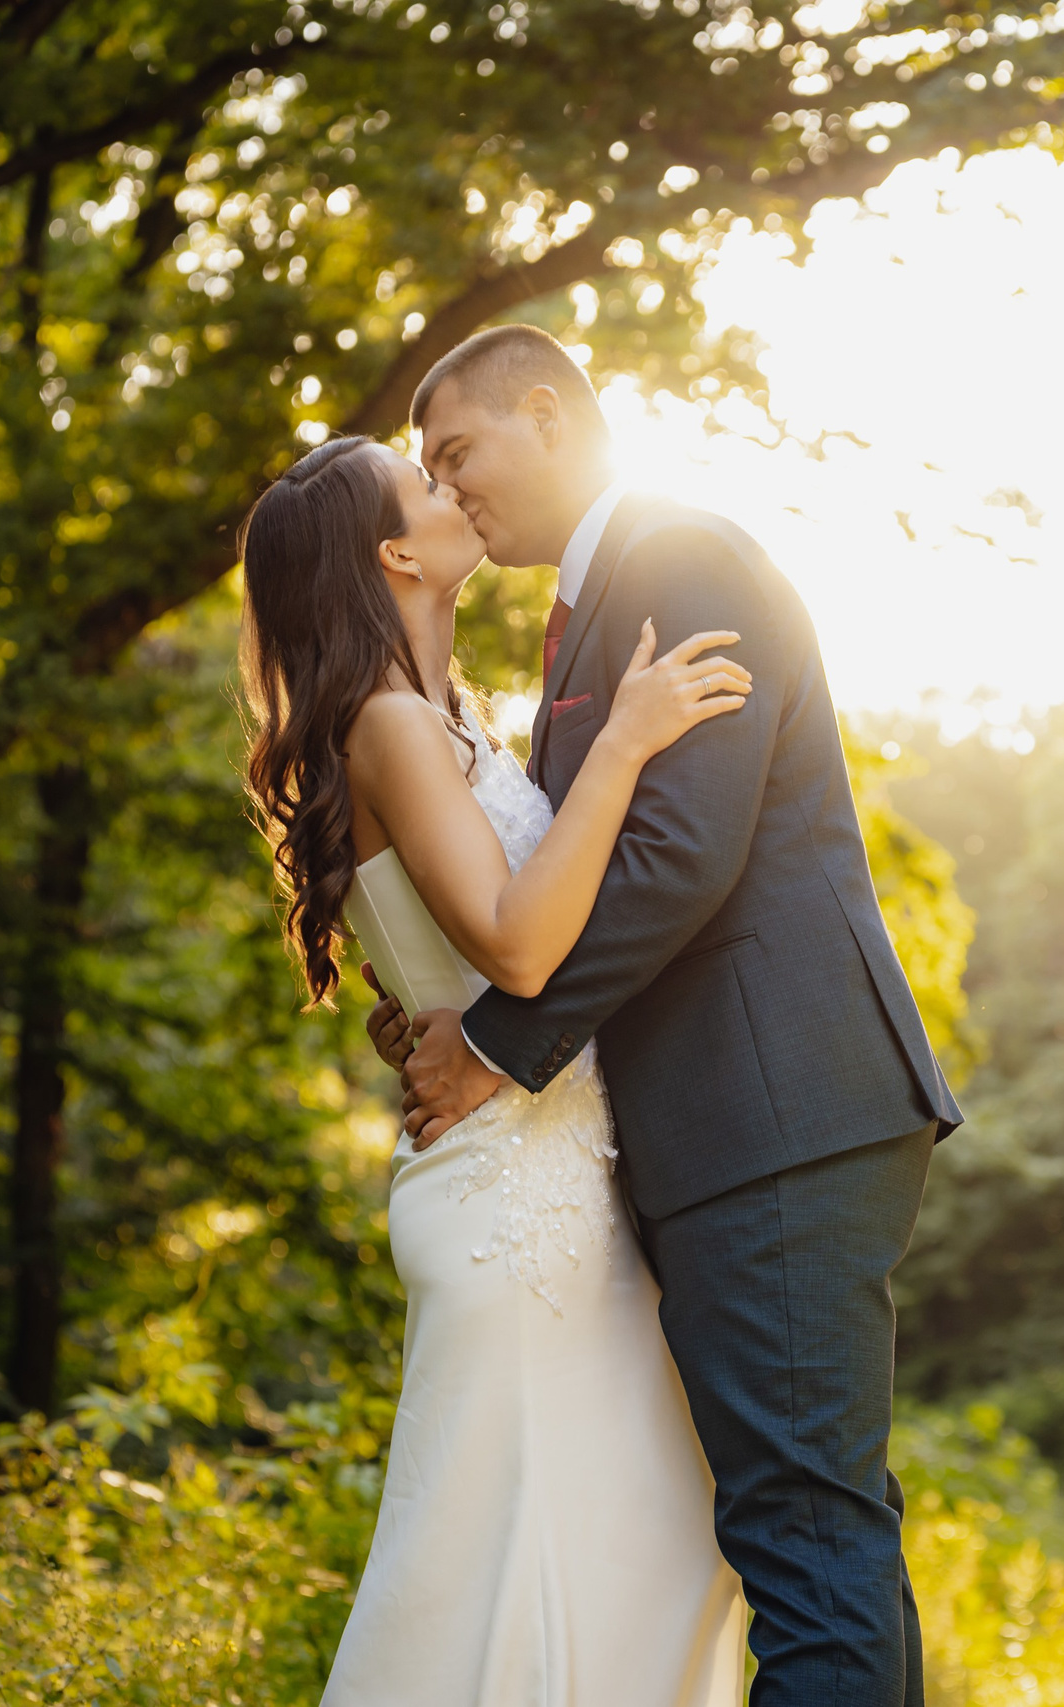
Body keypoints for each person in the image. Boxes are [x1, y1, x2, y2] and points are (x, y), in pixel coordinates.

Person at [365, 323, 964, 1704]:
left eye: (460, 453)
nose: (450, 493)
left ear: (549, 413)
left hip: (777, 1117)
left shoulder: (681, 558)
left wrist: (499, 1052)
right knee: (815, 1530)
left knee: (806, 1543)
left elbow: (680, 853)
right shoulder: (594, 603)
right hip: (735, 1129)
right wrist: (436, 1009)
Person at [236, 429, 755, 1706]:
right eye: (426, 484)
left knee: (636, 1567)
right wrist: (628, 743)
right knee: (513, 1591)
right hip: (512, 1214)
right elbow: (522, 948)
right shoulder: (392, 727)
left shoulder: (443, 720)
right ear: (396, 551)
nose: (454, 490)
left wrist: (417, 1012)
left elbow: (437, 956)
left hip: (560, 1184)